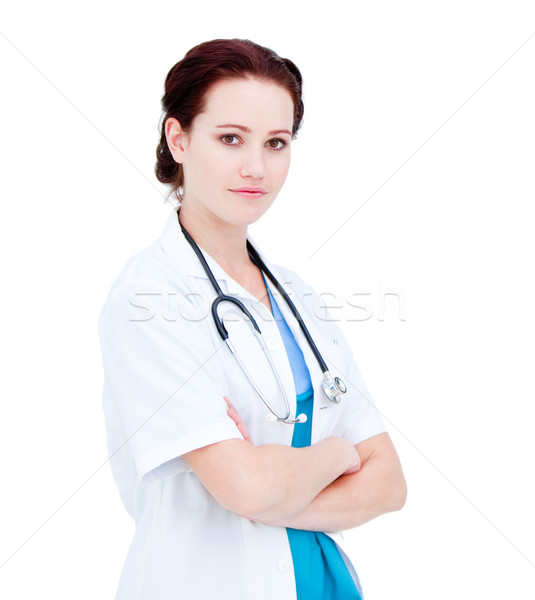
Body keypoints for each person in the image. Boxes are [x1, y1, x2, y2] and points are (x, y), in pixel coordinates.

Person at [98, 38, 406, 600]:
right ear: (179, 138)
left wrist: (272, 481)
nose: (256, 167)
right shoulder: (147, 297)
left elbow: (389, 484)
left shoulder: (296, 295)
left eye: (276, 143)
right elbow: (247, 487)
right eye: (230, 138)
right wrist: (339, 455)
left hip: (321, 582)